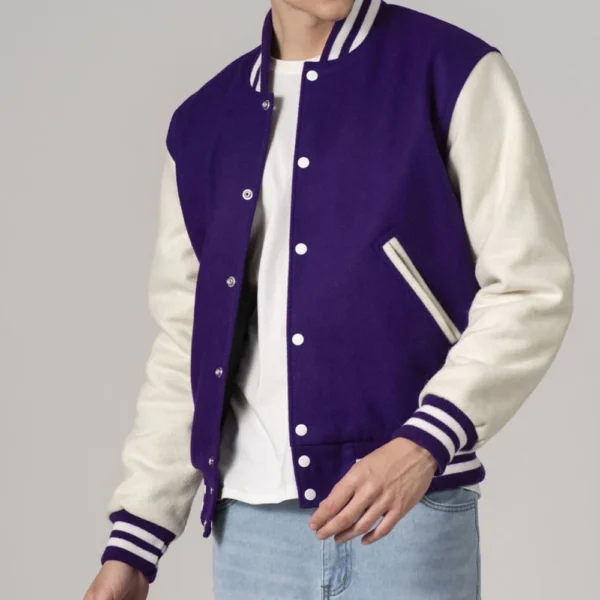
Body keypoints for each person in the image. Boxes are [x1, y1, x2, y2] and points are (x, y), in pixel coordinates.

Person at [83, 1, 574, 598]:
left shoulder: (450, 70)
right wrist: (136, 539)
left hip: (407, 515)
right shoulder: (203, 123)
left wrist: (424, 442)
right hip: (252, 534)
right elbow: (188, 342)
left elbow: (530, 285)